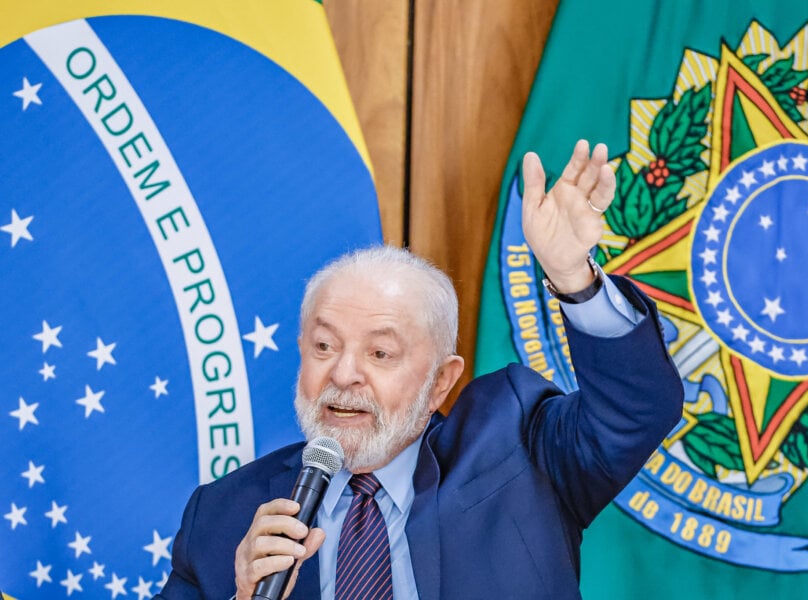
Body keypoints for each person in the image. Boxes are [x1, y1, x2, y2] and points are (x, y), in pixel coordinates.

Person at [156, 140, 684, 600]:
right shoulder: (225, 514)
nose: (343, 375)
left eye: (380, 354)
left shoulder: (521, 447)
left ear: (440, 382)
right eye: (323, 346)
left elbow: (637, 410)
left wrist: (574, 278)